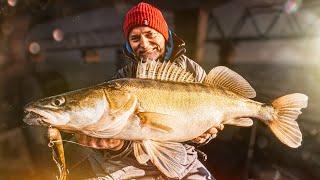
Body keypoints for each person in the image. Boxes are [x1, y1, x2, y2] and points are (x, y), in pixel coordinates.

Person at [77, 2, 223, 179]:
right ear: (129, 44)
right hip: (132, 165)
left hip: (182, 159)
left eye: (150, 34)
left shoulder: (192, 71)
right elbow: (127, 134)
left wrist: (203, 135)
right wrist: (118, 145)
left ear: (164, 35)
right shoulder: (122, 80)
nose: (144, 44)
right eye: (135, 38)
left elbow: (206, 122)